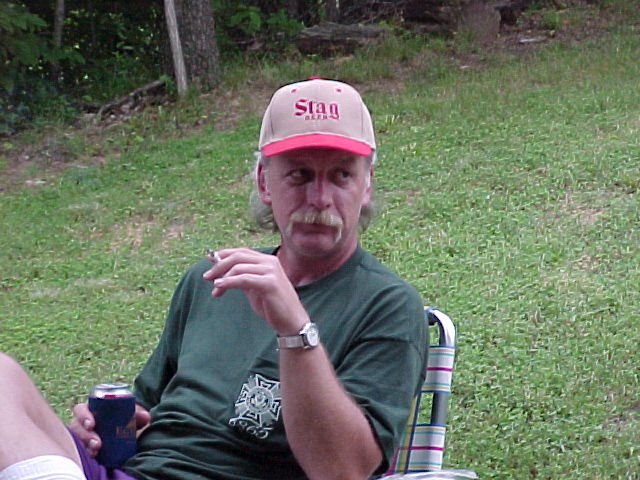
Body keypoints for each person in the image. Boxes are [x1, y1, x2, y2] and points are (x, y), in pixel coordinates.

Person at [0, 78, 427, 480]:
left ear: (366, 184)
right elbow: (148, 407)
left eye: (341, 175)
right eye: (299, 175)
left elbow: (344, 471)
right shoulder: (213, 280)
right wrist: (110, 429)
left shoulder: (387, 305)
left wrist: (296, 332)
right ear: (264, 182)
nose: (319, 199)